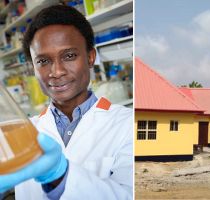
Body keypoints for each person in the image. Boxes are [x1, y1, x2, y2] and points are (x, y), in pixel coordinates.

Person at [0, 5, 133, 199]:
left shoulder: (128, 124)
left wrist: (61, 176)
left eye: (69, 56)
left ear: (90, 57)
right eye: (43, 61)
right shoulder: (25, 132)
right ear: (33, 68)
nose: (57, 71)